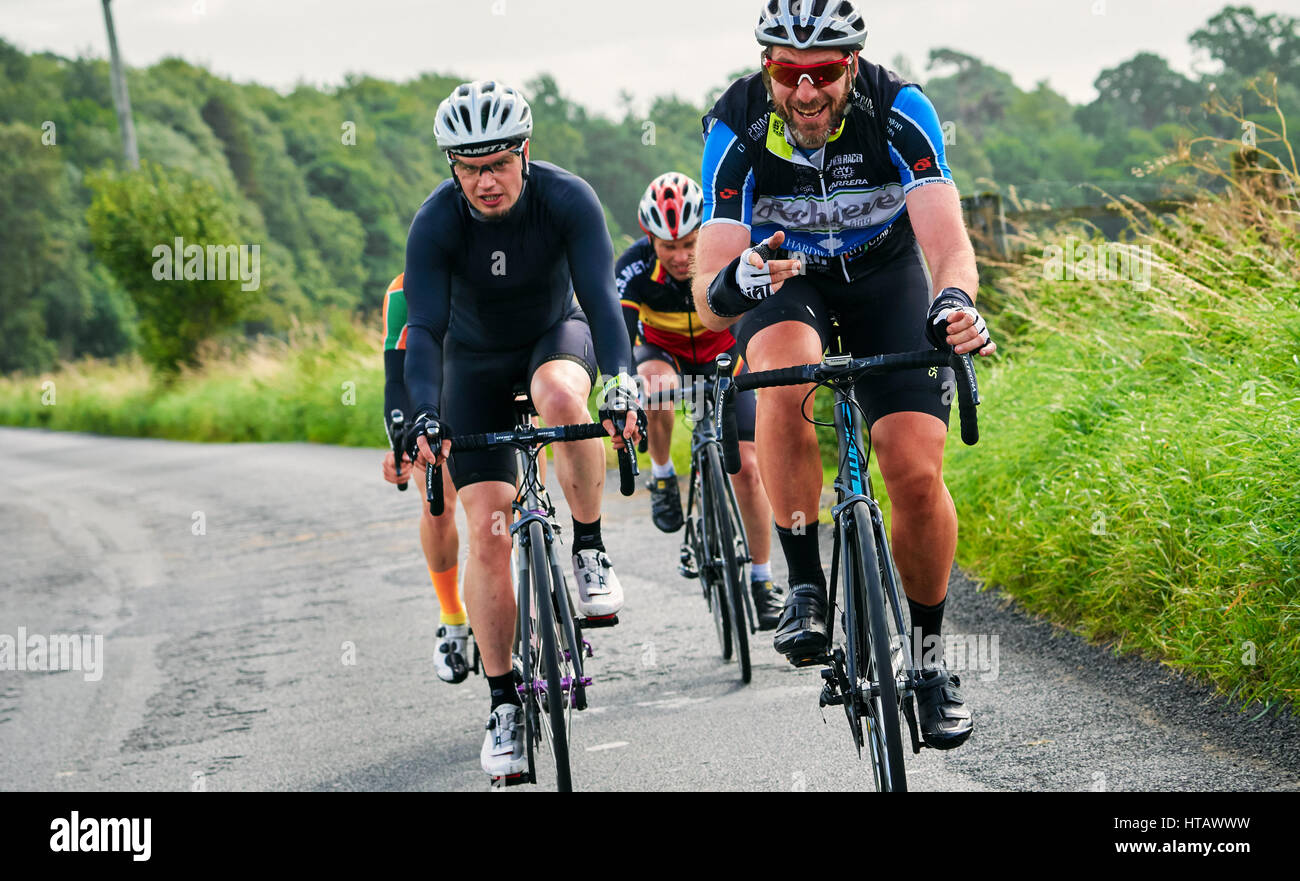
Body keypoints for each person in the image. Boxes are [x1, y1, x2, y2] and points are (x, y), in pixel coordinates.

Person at [692, 0, 995, 750]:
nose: (804, 92)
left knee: (914, 469)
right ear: (768, 67)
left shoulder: (900, 109)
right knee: (786, 370)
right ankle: (802, 580)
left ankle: (927, 665)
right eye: (787, 73)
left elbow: (949, 246)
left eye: (822, 73)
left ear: (850, 67)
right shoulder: (733, 125)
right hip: (785, 276)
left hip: (885, 274)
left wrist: (954, 300)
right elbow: (706, 296)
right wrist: (742, 277)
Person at [401, 81, 642, 780]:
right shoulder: (436, 223)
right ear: (452, 167)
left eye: (498, 162)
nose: (485, 180)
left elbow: (601, 300)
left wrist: (622, 377)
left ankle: (590, 548)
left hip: (551, 334)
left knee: (564, 394)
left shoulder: (567, 199)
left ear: (525, 152)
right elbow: (422, 330)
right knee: (488, 529)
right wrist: (423, 411)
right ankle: (503, 702)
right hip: (470, 362)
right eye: (469, 166)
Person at [617, 172, 782, 628]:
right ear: (649, 237)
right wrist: (622, 386)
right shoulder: (632, 269)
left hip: (724, 357)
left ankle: (762, 580)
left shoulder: (724, 252)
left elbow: (755, 318)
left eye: (689, 242)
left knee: (747, 468)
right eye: (667, 246)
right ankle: (664, 477)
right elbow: (621, 337)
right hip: (662, 355)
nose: (679, 256)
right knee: (654, 385)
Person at [379, 272, 469, 685]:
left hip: (499, 383)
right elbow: (396, 378)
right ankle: (452, 617)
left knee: (515, 505)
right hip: (434, 398)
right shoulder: (404, 288)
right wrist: (400, 439)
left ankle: (529, 585)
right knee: (438, 507)